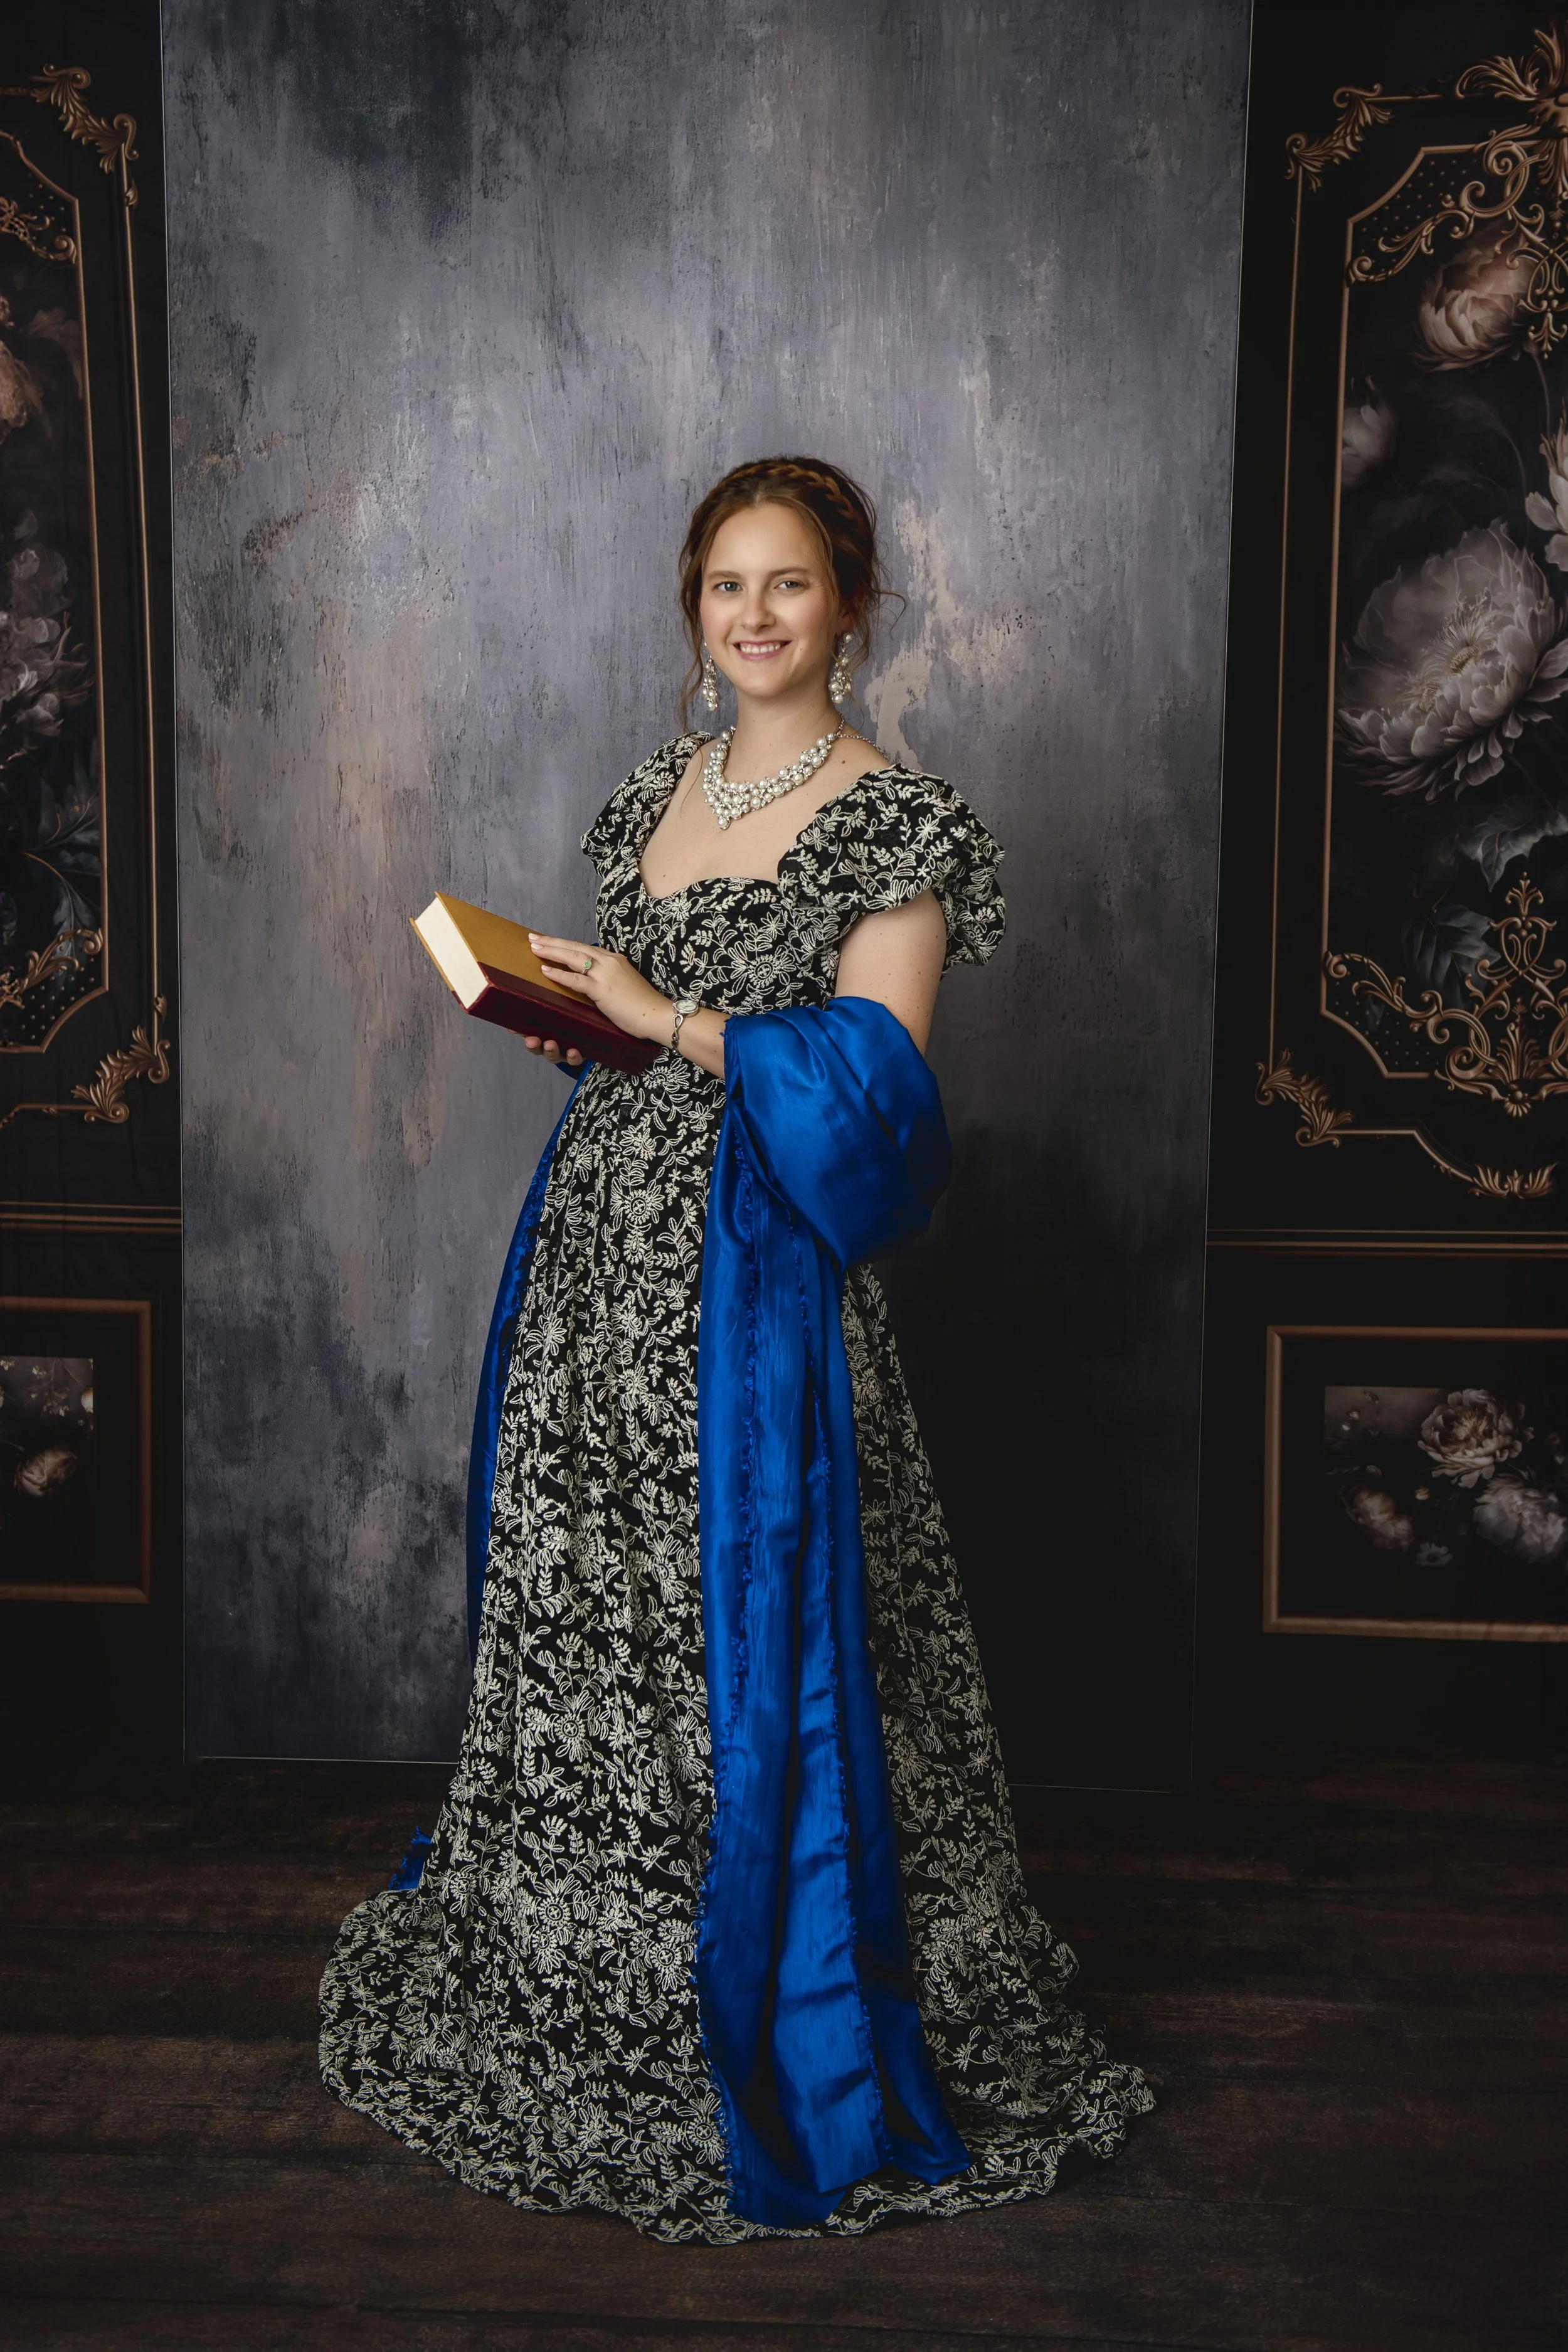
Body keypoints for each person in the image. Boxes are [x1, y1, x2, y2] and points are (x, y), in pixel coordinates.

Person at [319, 455, 1151, 2242]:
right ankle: (586, 1953)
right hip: (593, 1262)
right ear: (693, 608)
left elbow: (880, 1099)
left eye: (789, 582)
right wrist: (586, 1027)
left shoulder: (899, 823)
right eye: (725, 584)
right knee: (599, 1595)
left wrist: (672, 1015)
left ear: (851, 605)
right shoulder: (659, 790)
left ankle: (785, 2001)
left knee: (757, 1613)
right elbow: (642, 1029)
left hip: (757, 1275)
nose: (754, 614)